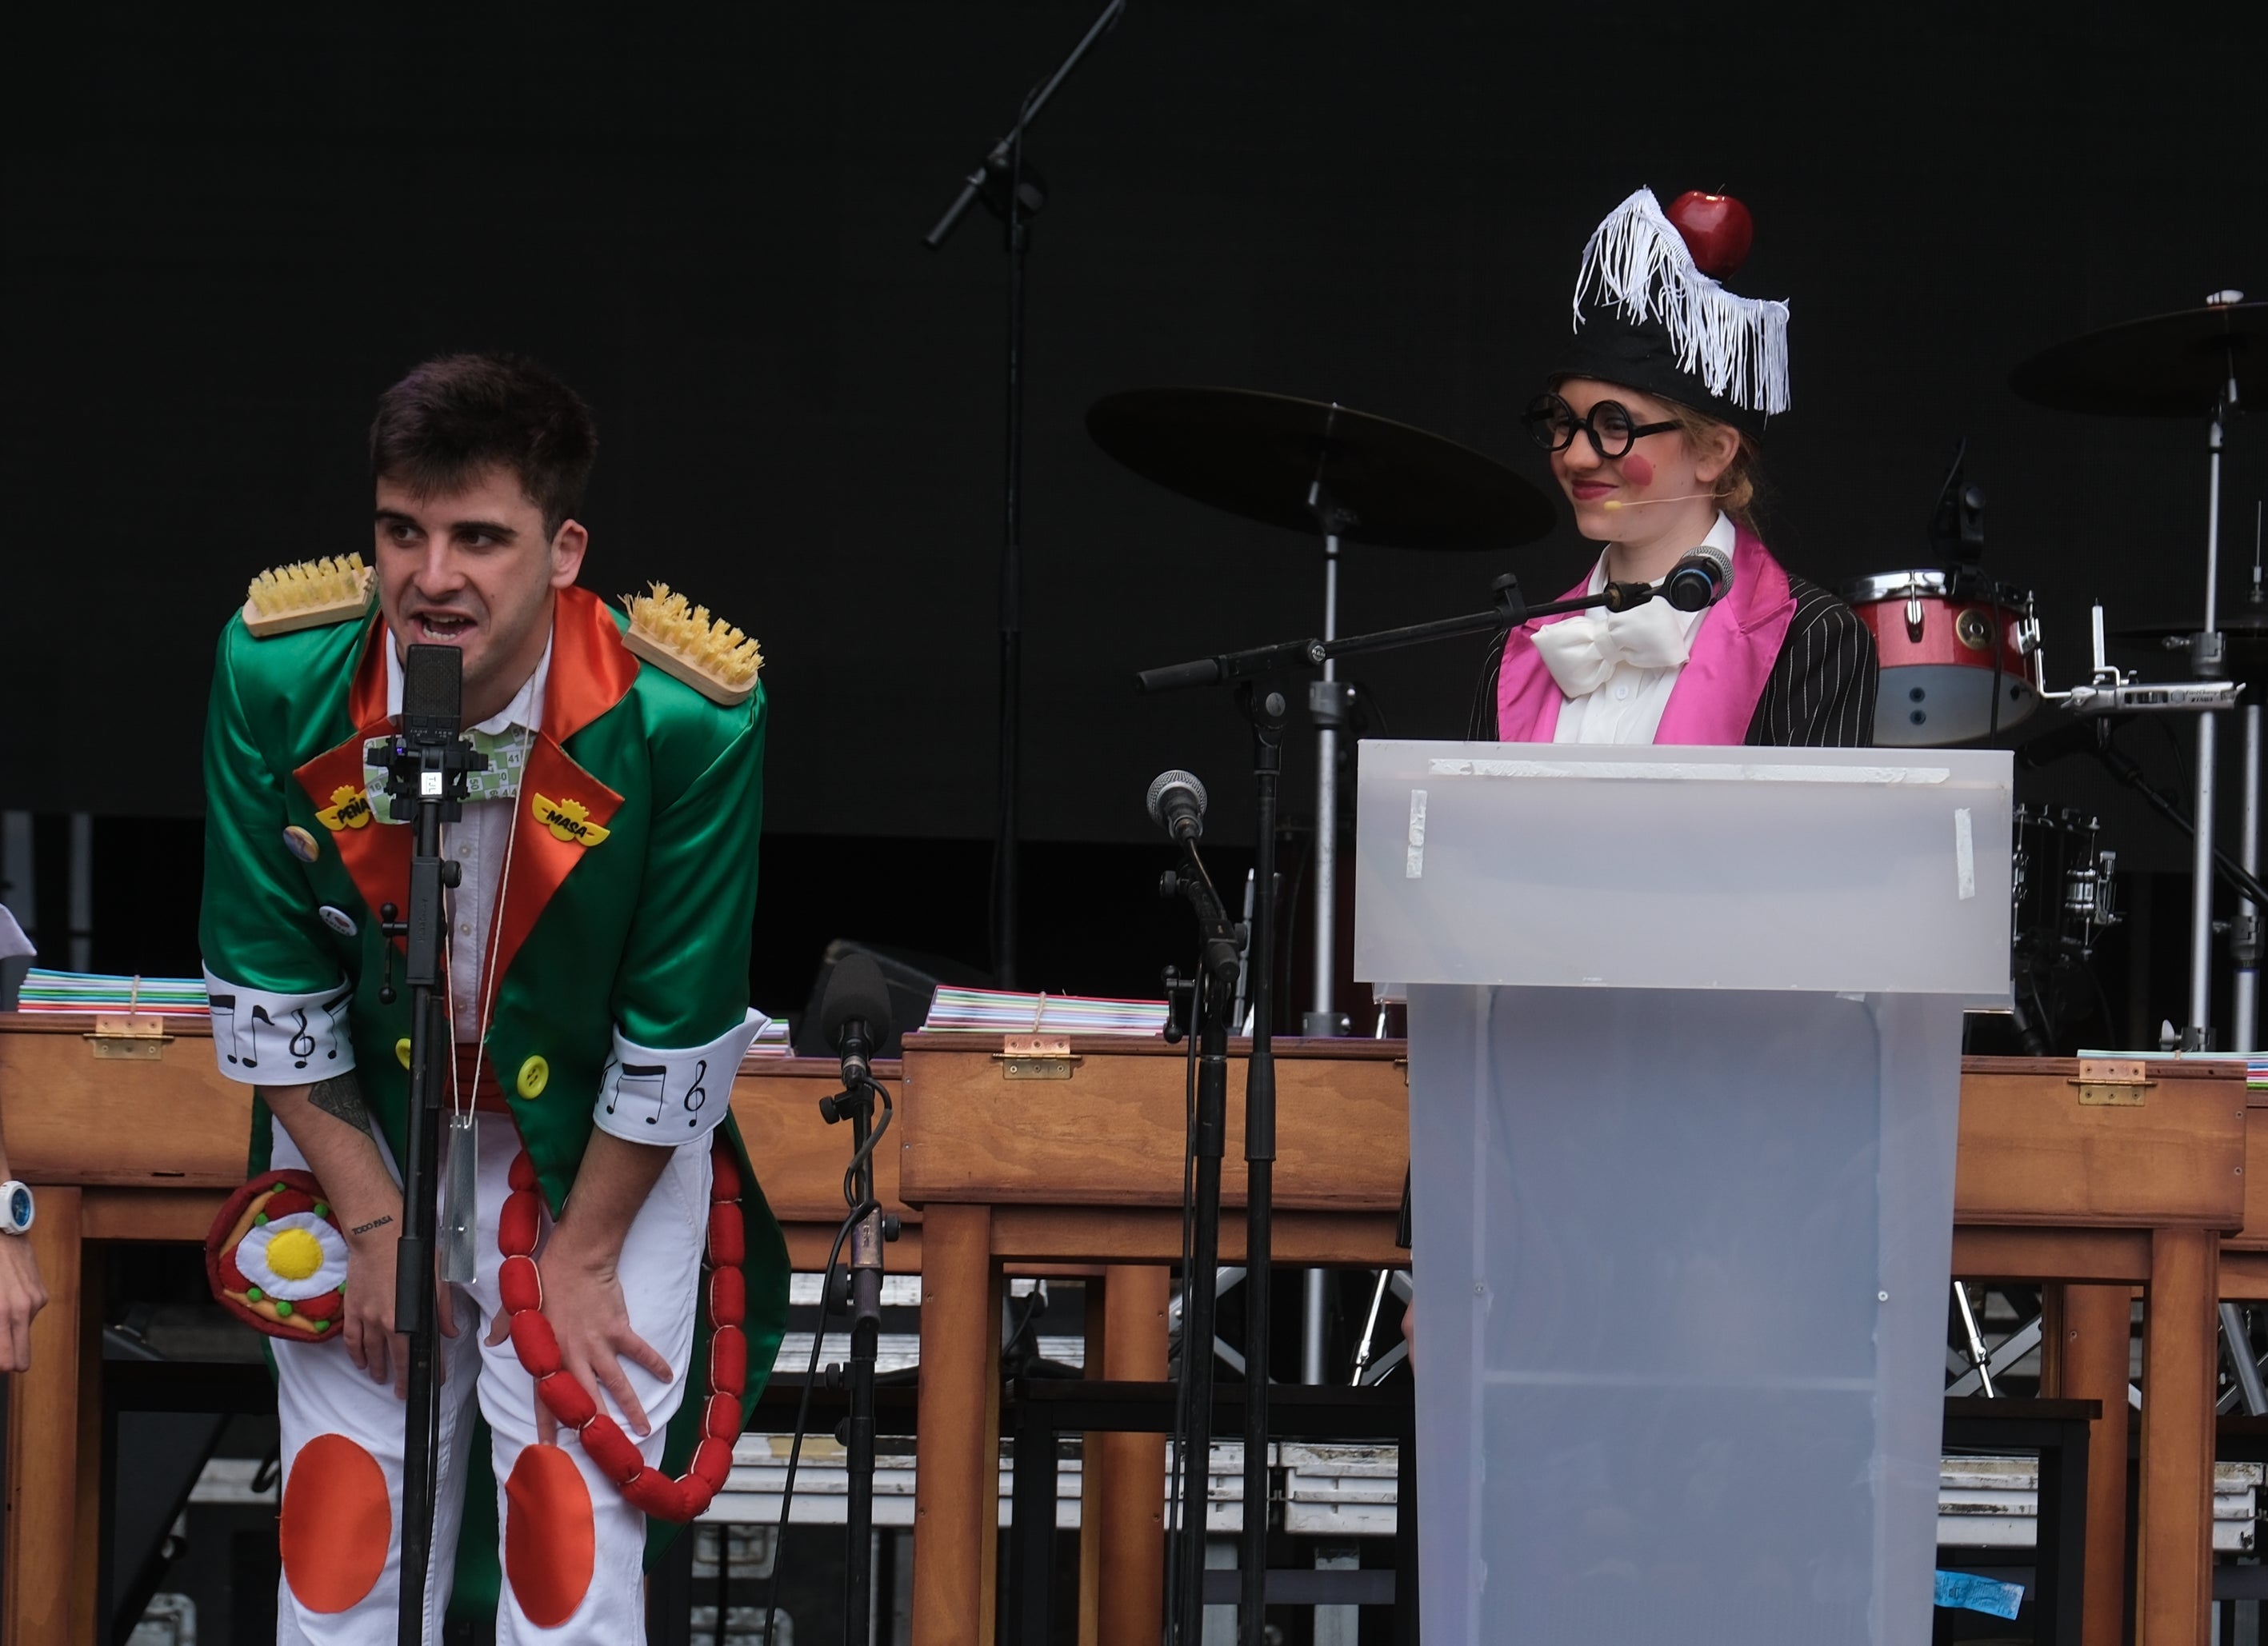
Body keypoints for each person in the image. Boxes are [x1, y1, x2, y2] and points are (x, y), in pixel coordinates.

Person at [197, 353, 786, 1643]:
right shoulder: (276, 678)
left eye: (480, 537)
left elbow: (676, 1027)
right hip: (365, 1136)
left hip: (593, 1153)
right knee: (340, 1532)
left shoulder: (682, 720)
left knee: (560, 1533)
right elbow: (268, 983)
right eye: (402, 531)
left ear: (564, 549)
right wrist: (368, 1225)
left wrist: (578, 1260)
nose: (433, 575)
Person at [1404, 187, 1878, 1361]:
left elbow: (1799, 935)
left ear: (1716, 451)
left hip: (1723, 1169)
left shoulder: (1809, 638)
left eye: (1617, 426)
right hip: (1530, 1156)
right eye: (1562, 423)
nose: (1577, 454)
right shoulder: (1522, 652)